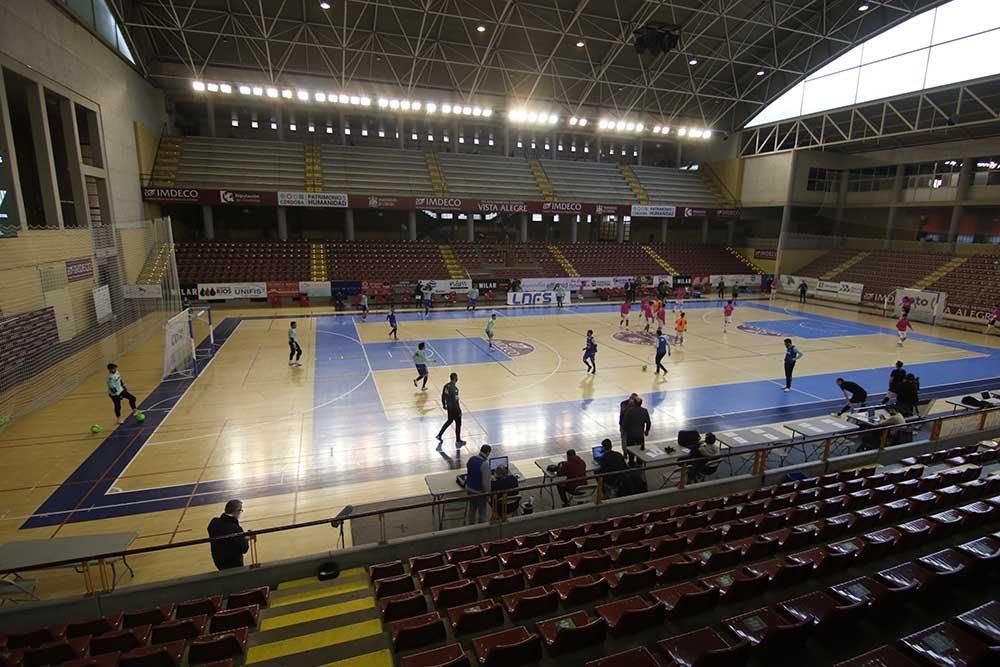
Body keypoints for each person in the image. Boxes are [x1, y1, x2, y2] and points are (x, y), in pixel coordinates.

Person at [207, 499, 250, 570]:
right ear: (236, 511)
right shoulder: (235, 528)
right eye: (240, 511)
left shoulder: (213, 522)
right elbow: (244, 548)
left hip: (218, 560)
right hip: (233, 563)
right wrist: (245, 539)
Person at [436, 372, 466, 449]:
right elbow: (455, 400)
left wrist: (444, 404)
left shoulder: (446, 386)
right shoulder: (454, 389)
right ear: (455, 378)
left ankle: (439, 435)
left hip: (449, 408)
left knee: (449, 421)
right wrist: (459, 411)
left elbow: (443, 396)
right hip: (455, 409)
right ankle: (458, 440)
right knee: (458, 424)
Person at [464, 445, 492, 523]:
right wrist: (487, 494)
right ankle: (481, 529)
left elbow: (469, 470)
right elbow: (485, 483)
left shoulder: (471, 459)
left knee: (472, 508)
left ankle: (471, 525)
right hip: (479, 492)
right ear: (488, 453)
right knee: (482, 512)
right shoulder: (485, 464)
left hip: (469, 489)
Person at [622, 396, 651, 464]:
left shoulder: (629, 411)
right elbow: (648, 422)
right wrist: (646, 431)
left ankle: (631, 463)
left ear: (634, 403)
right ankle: (639, 465)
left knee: (631, 452)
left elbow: (624, 424)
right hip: (640, 435)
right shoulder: (645, 411)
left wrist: (626, 431)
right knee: (640, 452)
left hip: (631, 435)